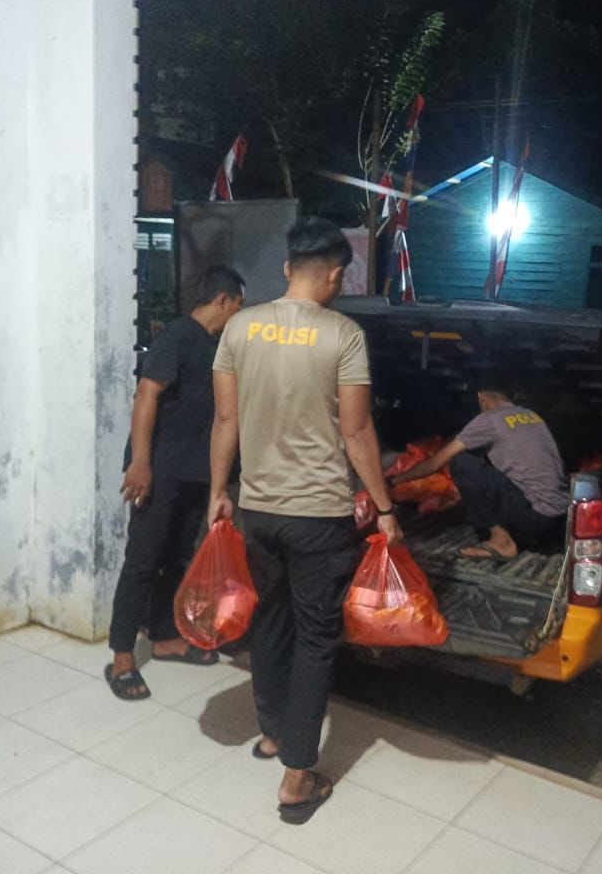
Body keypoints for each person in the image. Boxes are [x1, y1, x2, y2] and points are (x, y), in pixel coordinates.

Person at [207, 217, 401, 824]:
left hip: (259, 508)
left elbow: (225, 421)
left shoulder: (239, 326)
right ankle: (297, 775)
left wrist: (218, 492)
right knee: (317, 637)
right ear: (337, 275)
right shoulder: (343, 335)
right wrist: (386, 508)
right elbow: (357, 431)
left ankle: (272, 733)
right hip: (318, 514)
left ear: (289, 267)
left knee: (271, 619)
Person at [105, 265, 246, 701]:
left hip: (195, 473)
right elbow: (146, 393)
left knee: (178, 558)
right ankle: (122, 655)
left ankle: (165, 637)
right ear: (223, 300)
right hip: (160, 470)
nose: (239, 314)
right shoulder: (179, 335)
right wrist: (140, 462)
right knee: (143, 560)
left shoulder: (218, 345)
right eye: (238, 305)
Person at [389, 380, 568, 560]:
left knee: (461, 462)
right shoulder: (531, 415)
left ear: (481, 398)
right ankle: (522, 536)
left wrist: (394, 480)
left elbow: (435, 463)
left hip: (535, 518)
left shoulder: (490, 419)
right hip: (560, 519)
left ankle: (501, 542)